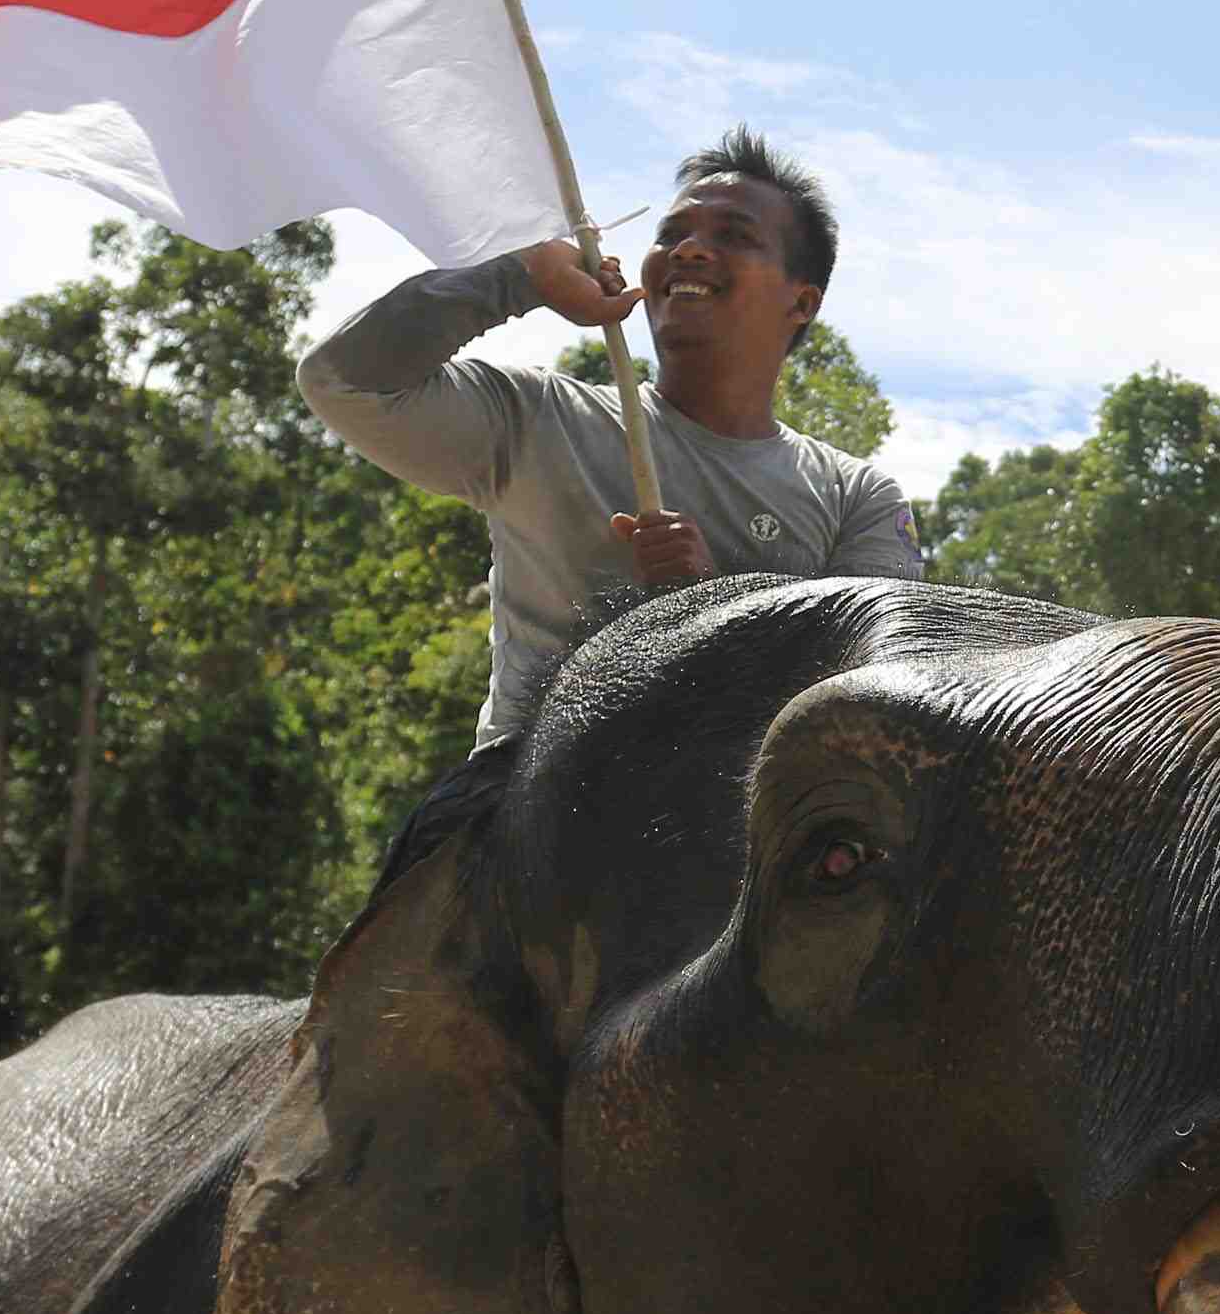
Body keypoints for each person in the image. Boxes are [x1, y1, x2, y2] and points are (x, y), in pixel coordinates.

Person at [301, 127, 924, 891]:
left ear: (803, 300)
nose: (690, 250)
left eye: (734, 236)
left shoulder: (857, 497)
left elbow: (880, 701)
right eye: (674, 234)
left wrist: (718, 603)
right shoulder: (537, 419)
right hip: (523, 822)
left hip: (742, 859)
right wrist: (517, 275)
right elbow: (344, 380)